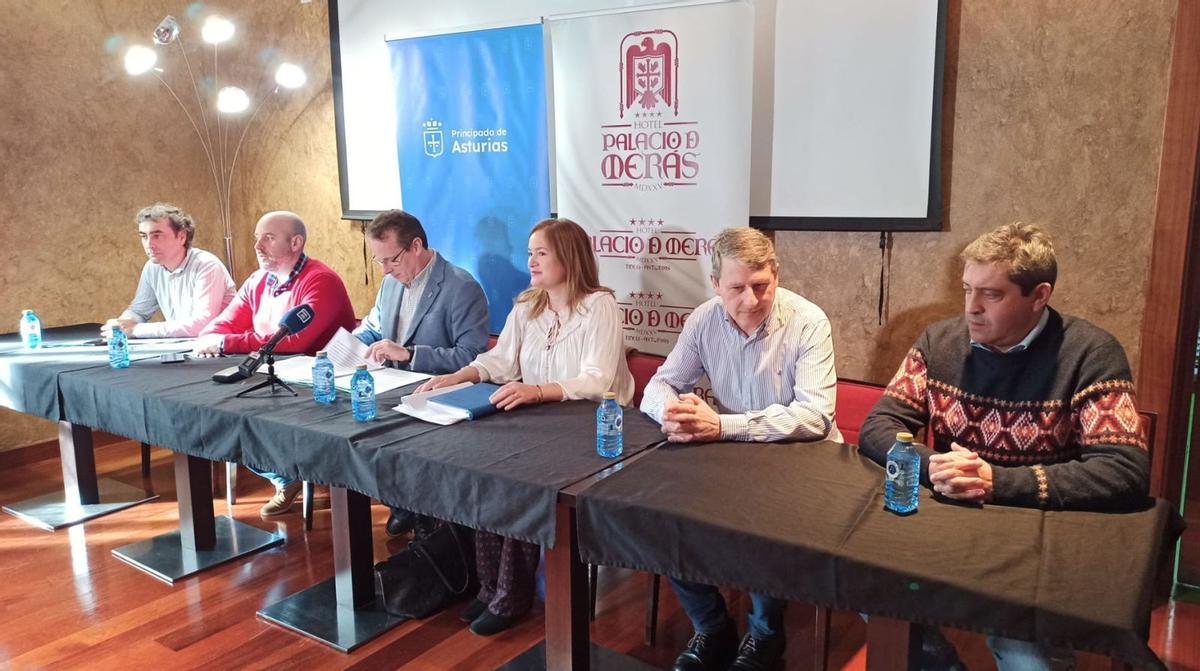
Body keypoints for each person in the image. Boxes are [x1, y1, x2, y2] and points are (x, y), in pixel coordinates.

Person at [859, 222, 1150, 671]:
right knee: (869, 587)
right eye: (966, 289)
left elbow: (1124, 470)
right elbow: (879, 425)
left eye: (991, 295)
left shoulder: (1090, 353)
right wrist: (932, 465)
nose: (971, 308)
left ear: (1039, 296)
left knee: (1026, 656)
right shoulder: (940, 342)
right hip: (952, 520)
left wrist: (996, 480)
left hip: (1038, 532)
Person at [418, 217, 634, 636]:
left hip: (590, 428)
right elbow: (500, 363)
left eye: (541, 253)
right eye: (530, 252)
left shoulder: (599, 306)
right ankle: (488, 586)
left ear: (569, 258)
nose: (531, 261)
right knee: (483, 475)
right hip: (534, 423)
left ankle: (511, 595)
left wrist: (537, 391)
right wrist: (459, 376)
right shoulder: (526, 305)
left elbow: (597, 380)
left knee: (522, 486)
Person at [640, 226, 841, 671]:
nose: (749, 300)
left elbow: (815, 417)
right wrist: (672, 412)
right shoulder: (703, 319)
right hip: (730, 450)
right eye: (735, 288)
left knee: (763, 524)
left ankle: (766, 634)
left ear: (776, 275)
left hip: (801, 457)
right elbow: (660, 383)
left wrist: (722, 424)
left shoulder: (808, 321)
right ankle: (712, 626)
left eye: (760, 286)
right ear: (715, 285)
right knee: (662, 512)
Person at [196, 211, 357, 518]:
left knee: (249, 415)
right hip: (272, 377)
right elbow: (218, 327)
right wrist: (218, 338)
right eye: (257, 237)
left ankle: (298, 473)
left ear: (296, 243)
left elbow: (292, 341)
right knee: (226, 411)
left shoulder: (321, 281)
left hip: (319, 386)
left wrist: (226, 343)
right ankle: (285, 477)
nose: (258, 245)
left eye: (268, 238)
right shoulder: (258, 281)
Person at [353, 209, 489, 537]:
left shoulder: (461, 287)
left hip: (435, 394)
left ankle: (420, 510)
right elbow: (372, 328)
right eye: (379, 261)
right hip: (391, 387)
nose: (385, 270)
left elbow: (471, 357)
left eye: (392, 260)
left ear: (416, 246)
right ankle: (401, 501)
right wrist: (344, 347)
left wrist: (411, 353)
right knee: (357, 433)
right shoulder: (390, 284)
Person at [102, 203, 235, 339]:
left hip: (221, 352)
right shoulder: (152, 267)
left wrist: (136, 330)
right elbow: (139, 311)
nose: (148, 244)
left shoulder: (207, 265)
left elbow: (201, 325)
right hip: (186, 348)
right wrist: (122, 324)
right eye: (144, 236)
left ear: (182, 237)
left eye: (157, 236)